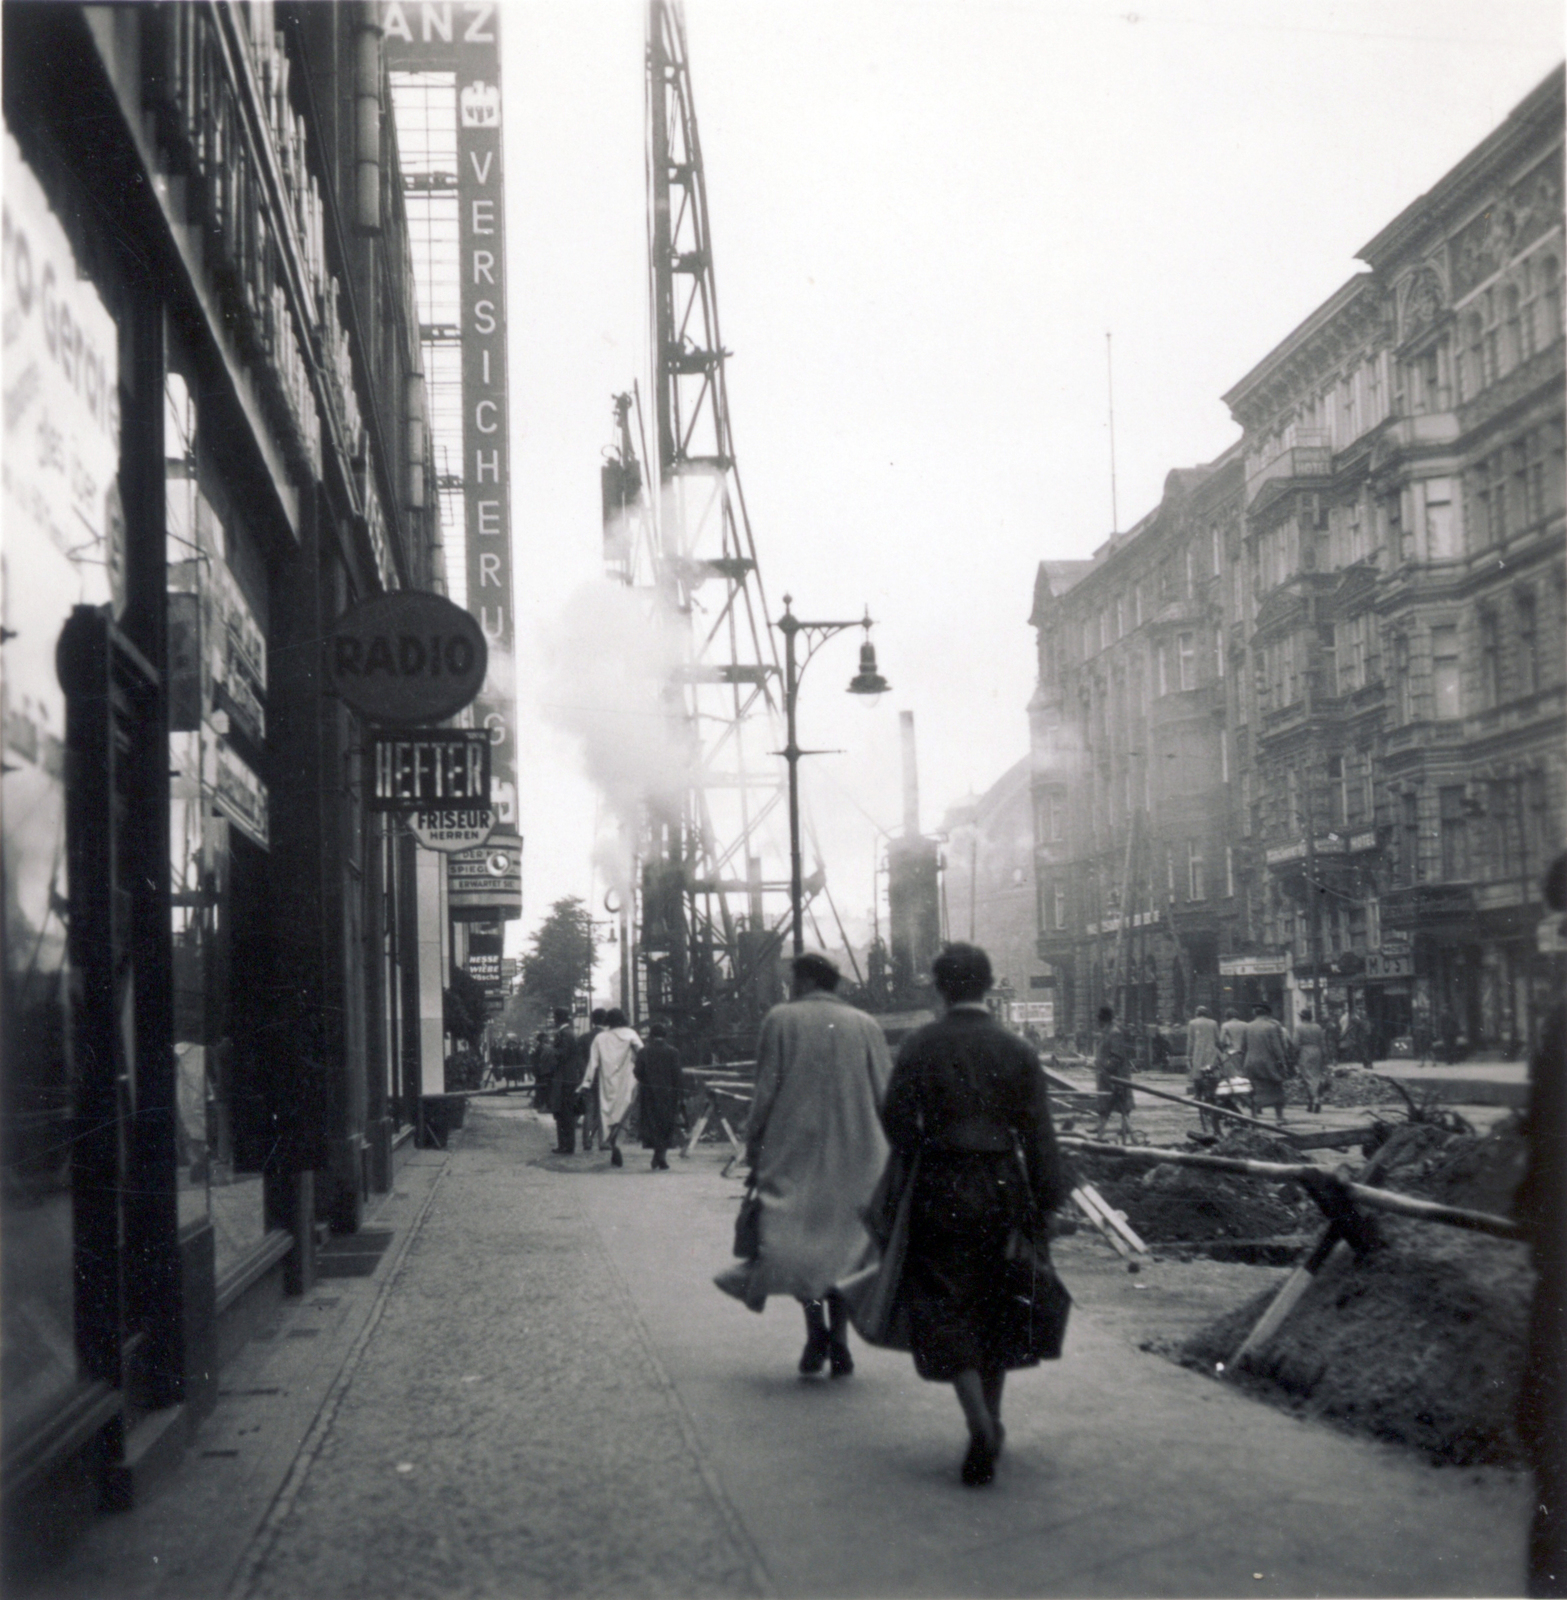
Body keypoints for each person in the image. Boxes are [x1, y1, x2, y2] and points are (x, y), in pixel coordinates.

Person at [881, 943, 1070, 1488]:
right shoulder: (1016, 1048)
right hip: (1004, 1185)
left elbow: (893, 1118)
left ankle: (978, 1422)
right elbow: (1039, 1132)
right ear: (989, 986)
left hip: (940, 1180)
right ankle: (993, 1417)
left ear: (940, 988)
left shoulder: (922, 1044)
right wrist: (1045, 1200)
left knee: (944, 1302)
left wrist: (920, 1150)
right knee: (999, 1298)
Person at [722, 951, 893, 1379]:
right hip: (859, 1156)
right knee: (843, 1250)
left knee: (799, 1249)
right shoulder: (866, 1025)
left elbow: (765, 1091)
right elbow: (884, 1095)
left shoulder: (780, 1020)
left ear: (803, 982)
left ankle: (816, 1331)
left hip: (793, 1155)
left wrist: (754, 1140)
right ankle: (838, 1338)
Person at [584, 1007, 641, 1167]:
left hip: (606, 1079)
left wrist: (586, 1083)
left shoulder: (600, 1038)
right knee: (624, 1111)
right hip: (627, 1078)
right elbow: (642, 1053)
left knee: (607, 1111)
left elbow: (593, 1062)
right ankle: (618, 1144)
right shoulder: (631, 1034)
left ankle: (609, 1141)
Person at [634, 1022, 684, 1170]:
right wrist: (678, 1092)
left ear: (651, 1035)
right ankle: (660, 1156)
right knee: (666, 1124)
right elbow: (677, 1075)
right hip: (668, 1094)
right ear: (665, 1036)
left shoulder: (643, 1052)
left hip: (649, 1094)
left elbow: (637, 1072)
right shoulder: (673, 1052)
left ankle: (658, 1156)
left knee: (652, 1124)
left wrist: (646, 1083)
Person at [1241, 1002, 1292, 1124]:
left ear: (1255, 1013)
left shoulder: (1247, 1026)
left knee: (1253, 1089)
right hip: (1268, 1063)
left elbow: (1243, 1047)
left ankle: (1253, 1117)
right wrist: (1283, 1062)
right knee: (1276, 1088)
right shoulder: (1272, 1026)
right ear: (1268, 1014)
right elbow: (1277, 1048)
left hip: (1251, 1063)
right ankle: (1279, 1118)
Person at [1092, 1005, 1134, 1142]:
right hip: (1107, 1077)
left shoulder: (1114, 1033)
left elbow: (1116, 1057)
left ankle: (1125, 1133)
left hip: (1115, 1077)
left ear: (1103, 1020)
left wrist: (1106, 1068)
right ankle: (1104, 1131)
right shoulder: (1107, 1032)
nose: (1097, 1023)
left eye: (1099, 1020)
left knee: (1115, 1106)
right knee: (1107, 1106)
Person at [550, 1011, 584, 1153]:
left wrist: (551, 1052)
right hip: (569, 1077)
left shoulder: (564, 1034)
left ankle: (566, 1145)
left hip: (564, 1078)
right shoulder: (569, 1033)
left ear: (558, 1019)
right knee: (566, 1112)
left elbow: (562, 1054)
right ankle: (566, 1145)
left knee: (564, 1112)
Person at [1186, 1005, 1221, 1132]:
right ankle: (1214, 1092)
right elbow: (1218, 1040)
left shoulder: (1192, 1023)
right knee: (1212, 1070)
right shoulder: (1213, 1023)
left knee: (1197, 1072)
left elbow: (1190, 1040)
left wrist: (1188, 1055)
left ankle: (1197, 1094)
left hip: (1198, 1052)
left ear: (1197, 1013)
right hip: (1211, 1051)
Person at [1294, 1007, 1327, 1114]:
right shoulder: (1318, 1027)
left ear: (1302, 1017)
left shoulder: (1299, 1028)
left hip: (1305, 1052)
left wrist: (1294, 1054)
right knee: (1316, 1076)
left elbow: (1296, 1044)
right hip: (1317, 1051)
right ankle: (1311, 1101)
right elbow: (1323, 1042)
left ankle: (1315, 1100)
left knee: (1307, 1077)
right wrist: (1325, 1055)